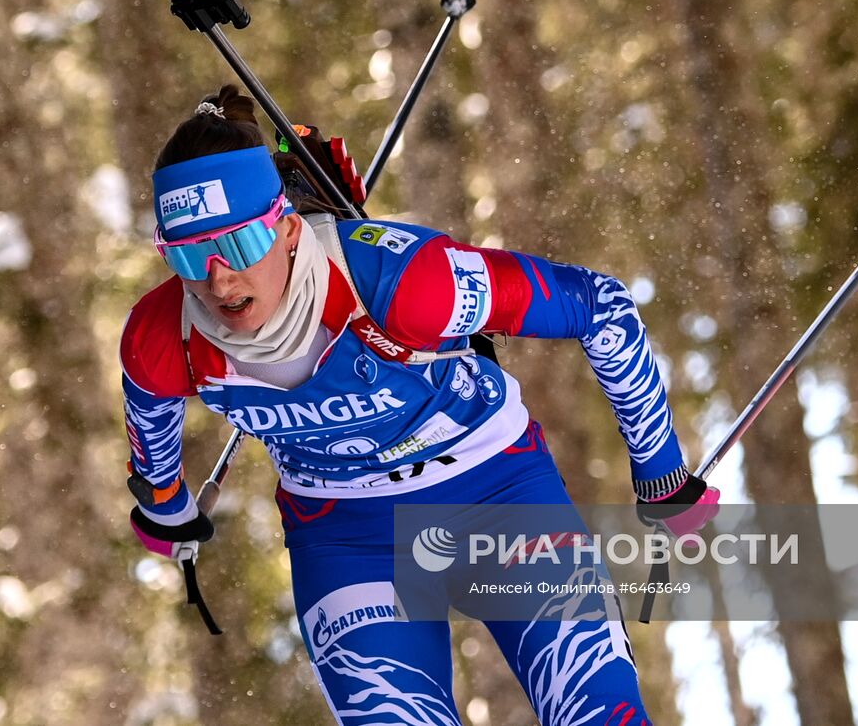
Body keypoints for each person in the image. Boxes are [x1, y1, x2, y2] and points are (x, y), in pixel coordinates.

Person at [120, 85, 720, 726]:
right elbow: (155, 457)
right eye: (187, 254)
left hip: (496, 491)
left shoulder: (405, 283)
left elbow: (599, 305)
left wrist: (659, 469)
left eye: (237, 245)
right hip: (345, 535)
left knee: (597, 714)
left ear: (288, 226)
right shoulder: (162, 338)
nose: (218, 279)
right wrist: (169, 513)